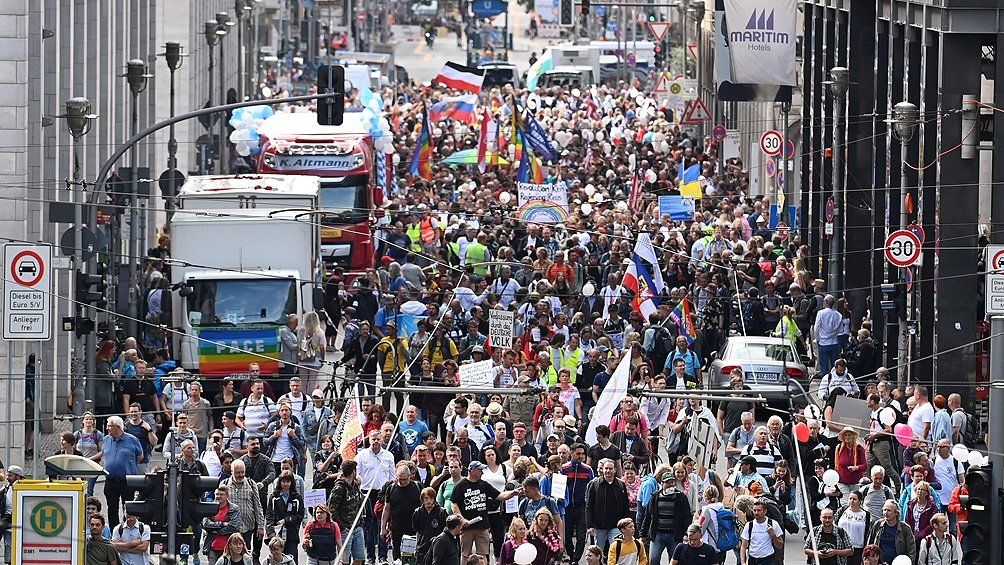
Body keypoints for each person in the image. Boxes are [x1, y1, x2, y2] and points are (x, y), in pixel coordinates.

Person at [450, 460, 520, 563]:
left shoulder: (483, 484)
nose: (482, 473)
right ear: (473, 471)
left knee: (483, 555)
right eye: (480, 470)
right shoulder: (461, 485)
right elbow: (454, 504)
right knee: (465, 554)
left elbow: (499, 496)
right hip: (467, 527)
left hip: (482, 526)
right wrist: (461, 519)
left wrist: (512, 493)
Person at [640, 471, 692, 565]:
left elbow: (687, 517)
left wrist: (686, 533)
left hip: (674, 535)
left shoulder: (681, 497)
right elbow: (647, 517)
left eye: (672, 482)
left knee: (675, 561)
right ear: (662, 483)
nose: (670, 485)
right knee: (653, 559)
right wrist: (643, 535)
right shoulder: (654, 498)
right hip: (658, 535)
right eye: (668, 482)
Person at [102, 417, 144, 528]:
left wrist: (127, 465)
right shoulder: (106, 439)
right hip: (110, 481)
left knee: (128, 508)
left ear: (118, 427)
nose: (107, 428)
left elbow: (140, 456)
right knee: (111, 508)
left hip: (127, 481)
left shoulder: (132, 440)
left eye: (110, 426)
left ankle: (128, 529)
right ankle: (113, 531)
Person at [224, 459, 266, 563]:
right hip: (230, 527)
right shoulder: (224, 484)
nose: (241, 475)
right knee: (231, 555)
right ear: (232, 472)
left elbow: (258, 506)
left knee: (245, 556)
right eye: (238, 472)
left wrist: (260, 526)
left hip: (247, 527)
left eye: (242, 472)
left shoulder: (251, 484)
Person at [586, 458, 631, 551]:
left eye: (610, 469)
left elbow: (625, 506)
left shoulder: (621, 485)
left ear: (615, 470)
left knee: (616, 551)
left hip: (615, 526)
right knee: (598, 552)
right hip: (599, 527)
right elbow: (589, 506)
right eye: (606, 468)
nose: (608, 471)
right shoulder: (595, 484)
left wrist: (625, 524)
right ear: (602, 469)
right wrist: (589, 526)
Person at [382, 464, 423, 560]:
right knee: (397, 555)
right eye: (400, 479)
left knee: (410, 556)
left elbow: (423, 507)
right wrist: (383, 528)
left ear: (410, 476)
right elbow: (387, 508)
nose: (403, 482)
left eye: (405, 479)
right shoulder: (391, 488)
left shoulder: (417, 487)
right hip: (396, 528)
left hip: (413, 528)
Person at [328, 461, 365, 565]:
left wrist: (361, 523)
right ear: (353, 472)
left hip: (357, 527)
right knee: (344, 560)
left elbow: (359, 504)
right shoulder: (339, 488)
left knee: (359, 558)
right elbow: (332, 510)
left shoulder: (355, 486)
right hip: (345, 529)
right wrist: (342, 527)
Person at [265, 471, 304, 559]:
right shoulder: (274, 497)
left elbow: (300, 515)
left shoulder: (297, 497)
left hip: (292, 534)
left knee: (291, 559)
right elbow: (269, 515)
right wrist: (270, 532)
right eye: (283, 481)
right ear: (280, 482)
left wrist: (286, 520)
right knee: (276, 559)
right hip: (277, 535)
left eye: (288, 481)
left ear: (291, 483)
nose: (285, 484)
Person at [865, 501, 916, 565]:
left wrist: (909, 563)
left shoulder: (905, 528)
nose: (886, 513)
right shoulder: (878, 525)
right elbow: (869, 546)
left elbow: (911, 550)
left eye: (889, 510)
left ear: (896, 513)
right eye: (884, 510)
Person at [203, 486, 242, 562]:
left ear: (227, 496)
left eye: (221, 494)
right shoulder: (209, 507)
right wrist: (222, 524)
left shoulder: (234, 509)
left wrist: (216, 531)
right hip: (212, 547)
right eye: (217, 494)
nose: (218, 496)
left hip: (229, 549)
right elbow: (206, 524)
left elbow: (233, 526)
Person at [739, 499, 783, 565]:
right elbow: (743, 546)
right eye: (754, 510)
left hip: (768, 560)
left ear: (765, 511)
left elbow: (780, 545)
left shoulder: (773, 524)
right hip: (753, 560)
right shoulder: (749, 525)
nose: (756, 513)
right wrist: (743, 562)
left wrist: (773, 535)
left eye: (759, 510)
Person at [413, 487, 448, 565]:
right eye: (426, 498)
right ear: (422, 499)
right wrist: (416, 547)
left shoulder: (441, 512)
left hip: (438, 545)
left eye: (431, 498)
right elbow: (417, 532)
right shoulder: (418, 512)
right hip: (423, 546)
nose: (429, 501)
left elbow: (446, 531)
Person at [836, 491, 870, 565]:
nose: (851, 501)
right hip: (841, 546)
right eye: (850, 498)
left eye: (854, 499)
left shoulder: (865, 514)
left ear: (860, 501)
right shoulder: (842, 510)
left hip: (857, 549)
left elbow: (867, 532)